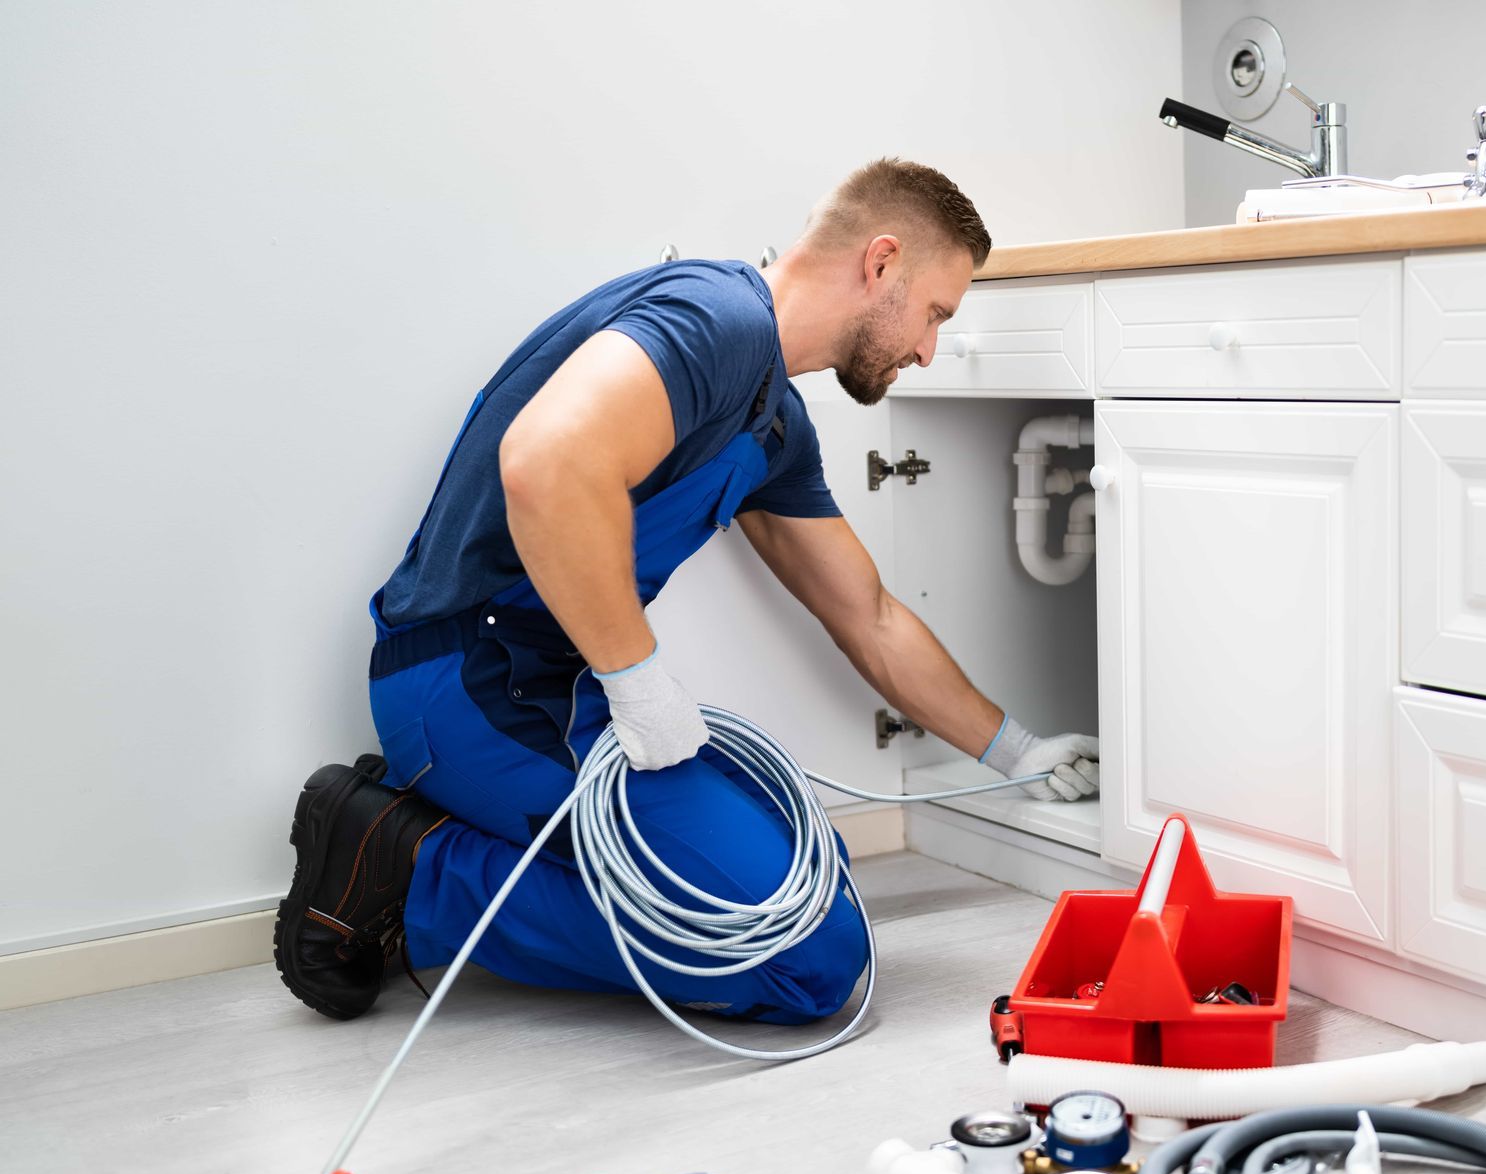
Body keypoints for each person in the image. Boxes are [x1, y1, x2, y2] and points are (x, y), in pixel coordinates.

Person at [274, 158, 1100, 1024]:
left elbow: (871, 616)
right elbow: (546, 464)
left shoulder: (774, 419)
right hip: (472, 685)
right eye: (935, 312)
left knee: (812, 872)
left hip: (559, 692)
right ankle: (407, 873)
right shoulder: (713, 318)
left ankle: (457, 841)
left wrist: (1016, 752)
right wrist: (638, 684)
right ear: (881, 261)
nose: (929, 348)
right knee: (809, 961)